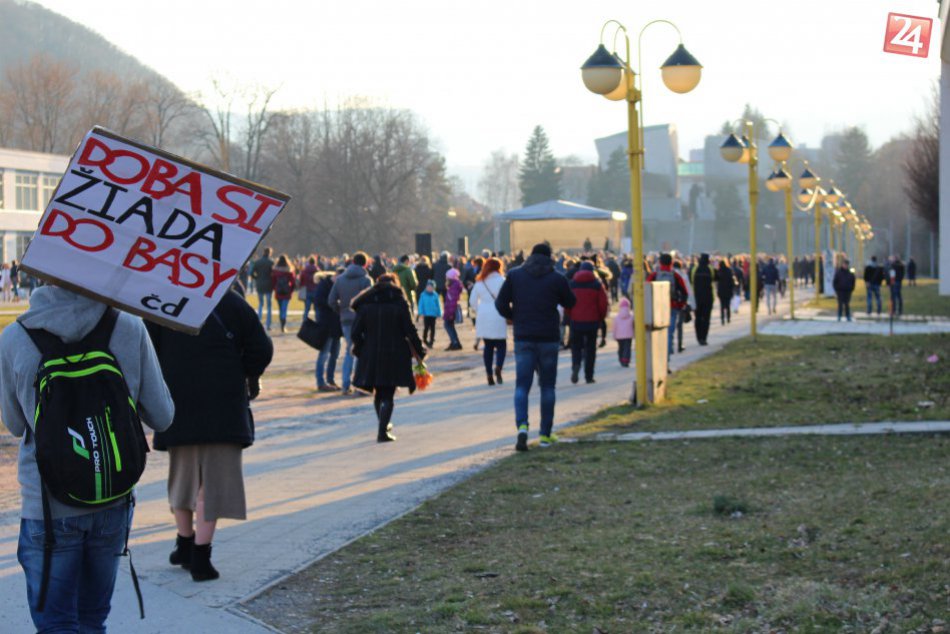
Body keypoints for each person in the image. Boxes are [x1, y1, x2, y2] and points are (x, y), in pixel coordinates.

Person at [0, 286, 175, 630]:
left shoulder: (15, 337)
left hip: (48, 508)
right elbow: (163, 415)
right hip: (112, 497)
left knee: (56, 624)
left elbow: (16, 425)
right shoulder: (128, 326)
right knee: (93, 621)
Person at [148, 288, 272, 582]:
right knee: (212, 483)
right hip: (223, 402)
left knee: (182, 477)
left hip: (177, 400)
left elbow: (148, 351)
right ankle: (201, 557)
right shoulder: (233, 303)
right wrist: (244, 371)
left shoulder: (163, 301)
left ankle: (184, 542)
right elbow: (261, 349)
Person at [495, 243, 576, 451]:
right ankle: (545, 434)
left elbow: (500, 304)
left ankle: (522, 426)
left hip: (524, 337)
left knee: (522, 386)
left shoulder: (514, 275)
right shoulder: (557, 278)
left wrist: (515, 317)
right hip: (548, 337)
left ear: (530, 255)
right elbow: (571, 302)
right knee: (547, 387)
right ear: (550, 257)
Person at [350, 274, 426, 442]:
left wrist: (361, 347)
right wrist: (420, 350)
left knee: (379, 392)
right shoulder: (399, 303)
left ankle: (383, 425)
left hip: (371, 353)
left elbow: (355, 333)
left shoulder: (365, 304)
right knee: (389, 393)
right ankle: (382, 431)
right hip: (395, 352)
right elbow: (410, 330)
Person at [328, 252, 373, 394]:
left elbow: (331, 300)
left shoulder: (340, 279)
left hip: (346, 319)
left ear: (352, 262)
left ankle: (345, 384)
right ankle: (360, 384)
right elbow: (370, 301)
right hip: (362, 320)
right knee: (362, 351)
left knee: (349, 350)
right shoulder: (366, 280)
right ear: (365, 264)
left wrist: (340, 311)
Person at [469, 257, 508, 385]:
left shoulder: (480, 282)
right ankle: (499, 367)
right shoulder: (502, 281)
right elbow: (508, 298)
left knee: (488, 346)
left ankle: (489, 373)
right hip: (499, 313)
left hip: (484, 315)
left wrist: (479, 309)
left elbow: (472, 301)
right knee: (501, 344)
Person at [567, 261, 608, 384]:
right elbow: (603, 304)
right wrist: (600, 318)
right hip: (592, 321)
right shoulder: (597, 285)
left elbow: (567, 303)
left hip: (576, 321)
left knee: (576, 347)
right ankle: (589, 376)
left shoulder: (572, 284)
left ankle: (576, 364)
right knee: (590, 349)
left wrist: (571, 316)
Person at [646, 253, 689, 363]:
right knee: (669, 333)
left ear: (660, 262)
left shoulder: (654, 275)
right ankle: (666, 359)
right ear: (671, 262)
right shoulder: (675, 276)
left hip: (657, 308)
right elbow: (684, 292)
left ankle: (657, 359)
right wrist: (680, 305)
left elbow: (646, 290)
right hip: (672, 306)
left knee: (657, 334)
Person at [314, 270, 343, 391]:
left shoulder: (339, 285)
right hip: (326, 324)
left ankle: (331, 380)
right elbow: (318, 301)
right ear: (335, 276)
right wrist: (334, 304)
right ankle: (321, 382)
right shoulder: (324, 284)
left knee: (335, 355)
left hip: (337, 325)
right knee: (324, 354)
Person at [692, 253, 714, 345]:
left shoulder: (695, 268)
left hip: (696, 297)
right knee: (706, 318)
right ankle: (704, 338)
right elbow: (713, 279)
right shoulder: (710, 268)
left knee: (698, 318)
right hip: (708, 297)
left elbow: (691, 280)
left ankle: (698, 337)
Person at [271, 254, 296, 333]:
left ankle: (281, 324)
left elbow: (273, 282)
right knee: (284, 309)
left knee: (280, 309)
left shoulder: (275, 271)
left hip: (278, 293)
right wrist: (290, 290)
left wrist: (275, 289)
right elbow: (293, 282)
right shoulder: (289, 271)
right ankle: (283, 326)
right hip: (286, 293)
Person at [251, 247, 275, 329]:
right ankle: (268, 324)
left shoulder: (257, 262)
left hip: (260, 284)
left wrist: (257, 278)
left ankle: (259, 323)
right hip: (269, 284)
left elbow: (251, 273)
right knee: (269, 306)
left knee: (260, 304)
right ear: (270, 253)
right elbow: (274, 274)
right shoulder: (271, 262)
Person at [442, 268, 464, 350]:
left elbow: (452, 300)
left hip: (451, 310)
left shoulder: (454, 286)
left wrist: (450, 313)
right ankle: (455, 342)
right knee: (450, 325)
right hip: (450, 309)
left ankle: (455, 342)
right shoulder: (454, 285)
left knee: (447, 325)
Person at [417, 279, 442, 347]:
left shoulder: (435, 295)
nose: (430, 288)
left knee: (433, 328)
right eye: (428, 287)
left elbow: (438, 305)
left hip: (433, 314)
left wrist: (439, 314)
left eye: (431, 287)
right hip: (426, 314)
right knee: (426, 327)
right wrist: (421, 313)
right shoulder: (423, 295)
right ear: (426, 287)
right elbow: (420, 305)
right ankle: (424, 339)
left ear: (434, 288)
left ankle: (431, 341)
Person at [612, 297, 633, 366]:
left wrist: (614, 335)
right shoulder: (631, 316)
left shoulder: (617, 317)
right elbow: (633, 326)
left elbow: (614, 327)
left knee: (621, 348)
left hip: (619, 336)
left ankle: (621, 358)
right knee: (627, 348)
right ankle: (626, 360)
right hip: (628, 335)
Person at [299, 256, 320, 320]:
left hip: (307, 290)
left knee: (307, 309)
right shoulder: (317, 270)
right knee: (317, 309)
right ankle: (318, 322)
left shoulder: (305, 270)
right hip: (316, 291)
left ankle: (304, 321)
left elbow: (301, 280)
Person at [715, 258, 735, 325]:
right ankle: (728, 318)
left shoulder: (719, 271)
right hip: (728, 291)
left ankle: (722, 319)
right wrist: (732, 290)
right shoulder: (729, 271)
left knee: (722, 306)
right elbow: (732, 282)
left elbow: (717, 282)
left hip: (721, 291)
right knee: (728, 305)